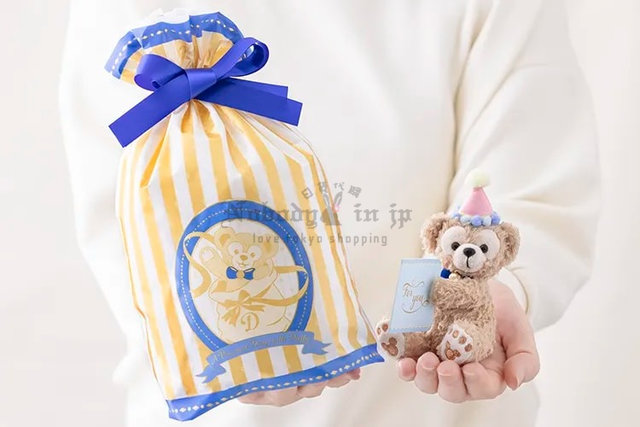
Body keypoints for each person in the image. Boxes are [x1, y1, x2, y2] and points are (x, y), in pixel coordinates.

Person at [60, 0, 599, 425]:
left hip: (436, 413)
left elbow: (531, 174)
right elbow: (127, 221)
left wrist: (504, 289)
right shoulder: (131, 19)